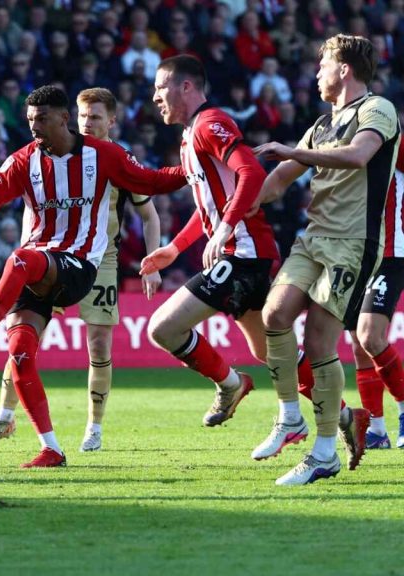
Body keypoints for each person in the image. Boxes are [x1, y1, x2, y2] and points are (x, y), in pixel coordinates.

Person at [0, 85, 186, 468]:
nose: (34, 128)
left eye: (41, 120)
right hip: (37, 264)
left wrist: (194, 167)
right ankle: (51, 448)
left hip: (78, 265)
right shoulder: (24, 160)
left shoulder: (104, 155)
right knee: (21, 353)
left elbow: (153, 182)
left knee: (28, 267)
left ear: (63, 118)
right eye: (29, 121)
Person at [253, 35, 397, 485]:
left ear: (344, 70)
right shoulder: (320, 124)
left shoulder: (378, 110)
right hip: (313, 238)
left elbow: (358, 156)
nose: (317, 74)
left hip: (354, 243)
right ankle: (291, 417)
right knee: (273, 314)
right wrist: (226, 214)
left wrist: (292, 151)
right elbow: (276, 182)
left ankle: (323, 453)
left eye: (323, 66)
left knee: (318, 342)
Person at [138, 55, 292, 433]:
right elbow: (210, 205)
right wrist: (175, 248)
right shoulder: (190, 135)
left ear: (186, 86)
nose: (155, 96)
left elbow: (252, 172)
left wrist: (225, 228)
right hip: (242, 252)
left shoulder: (211, 123)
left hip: (243, 254)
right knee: (268, 352)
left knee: (163, 328)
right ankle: (341, 415)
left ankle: (232, 385)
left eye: (161, 87)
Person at [355, 149, 404, 449]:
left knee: (370, 336)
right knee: (359, 345)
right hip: (356, 255)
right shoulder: (348, 139)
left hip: (390, 253)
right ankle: (376, 429)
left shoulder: (392, 143)